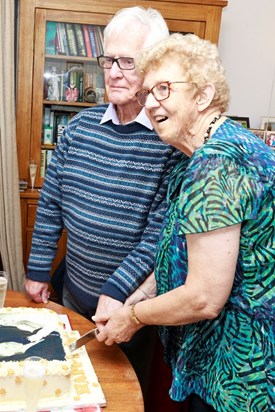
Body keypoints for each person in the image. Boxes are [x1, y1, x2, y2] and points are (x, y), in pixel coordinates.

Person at [93, 33, 275, 411]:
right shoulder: (193, 156)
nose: (151, 104)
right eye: (147, 93)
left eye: (164, 89)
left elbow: (204, 297)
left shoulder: (218, 165)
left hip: (241, 374)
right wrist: (136, 296)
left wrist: (133, 317)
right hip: (214, 361)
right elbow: (180, 253)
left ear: (203, 97)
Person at [25, 6, 180, 402]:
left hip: (128, 313)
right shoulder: (78, 128)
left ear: (154, 66)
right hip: (73, 297)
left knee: (119, 398)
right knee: (66, 392)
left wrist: (118, 291)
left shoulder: (170, 143)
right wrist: (39, 269)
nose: (113, 71)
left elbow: (159, 235)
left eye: (128, 61)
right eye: (108, 59)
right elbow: (51, 203)